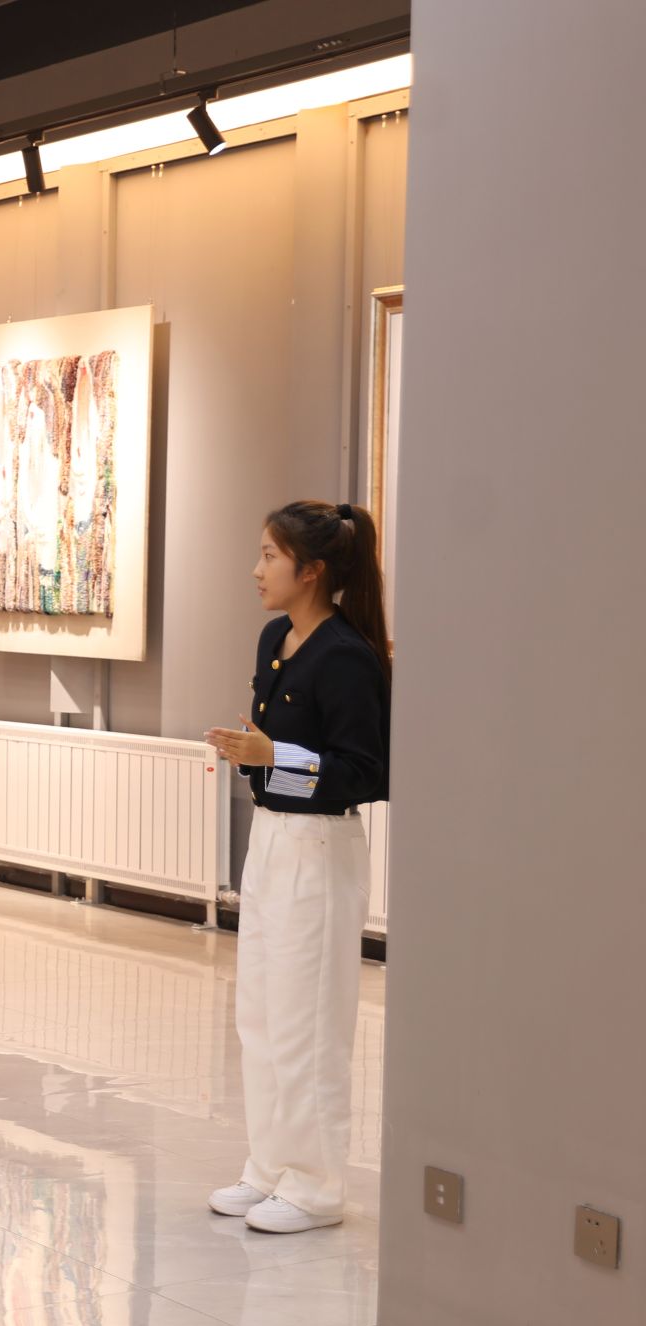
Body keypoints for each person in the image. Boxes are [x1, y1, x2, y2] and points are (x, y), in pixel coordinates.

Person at [203, 500, 390, 1234]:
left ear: (310, 571)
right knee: (260, 1014)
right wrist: (252, 754)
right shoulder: (275, 637)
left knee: (307, 1022)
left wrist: (273, 753)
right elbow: (272, 749)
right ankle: (270, 1165)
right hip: (272, 839)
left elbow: (366, 772)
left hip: (320, 849)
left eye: (269, 556)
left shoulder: (346, 655)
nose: (256, 570)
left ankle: (316, 1185)